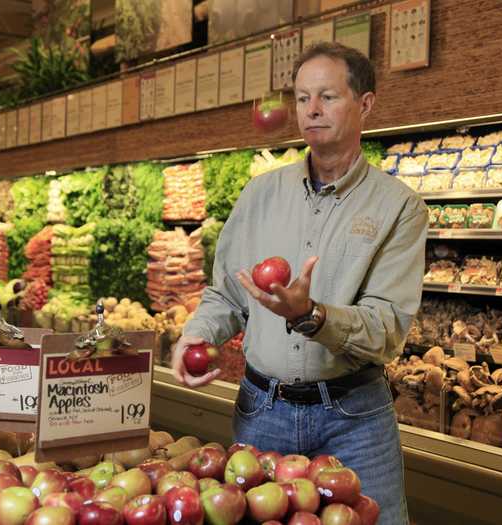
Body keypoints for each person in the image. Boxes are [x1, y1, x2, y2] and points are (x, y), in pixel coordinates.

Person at [171, 42, 427, 525]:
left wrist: (311, 316)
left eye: (328, 96)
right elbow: (227, 292)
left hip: (354, 419)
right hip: (261, 409)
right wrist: (196, 335)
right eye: (302, 97)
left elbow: (386, 327)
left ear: (365, 104)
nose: (311, 109)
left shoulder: (400, 207)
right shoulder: (260, 194)